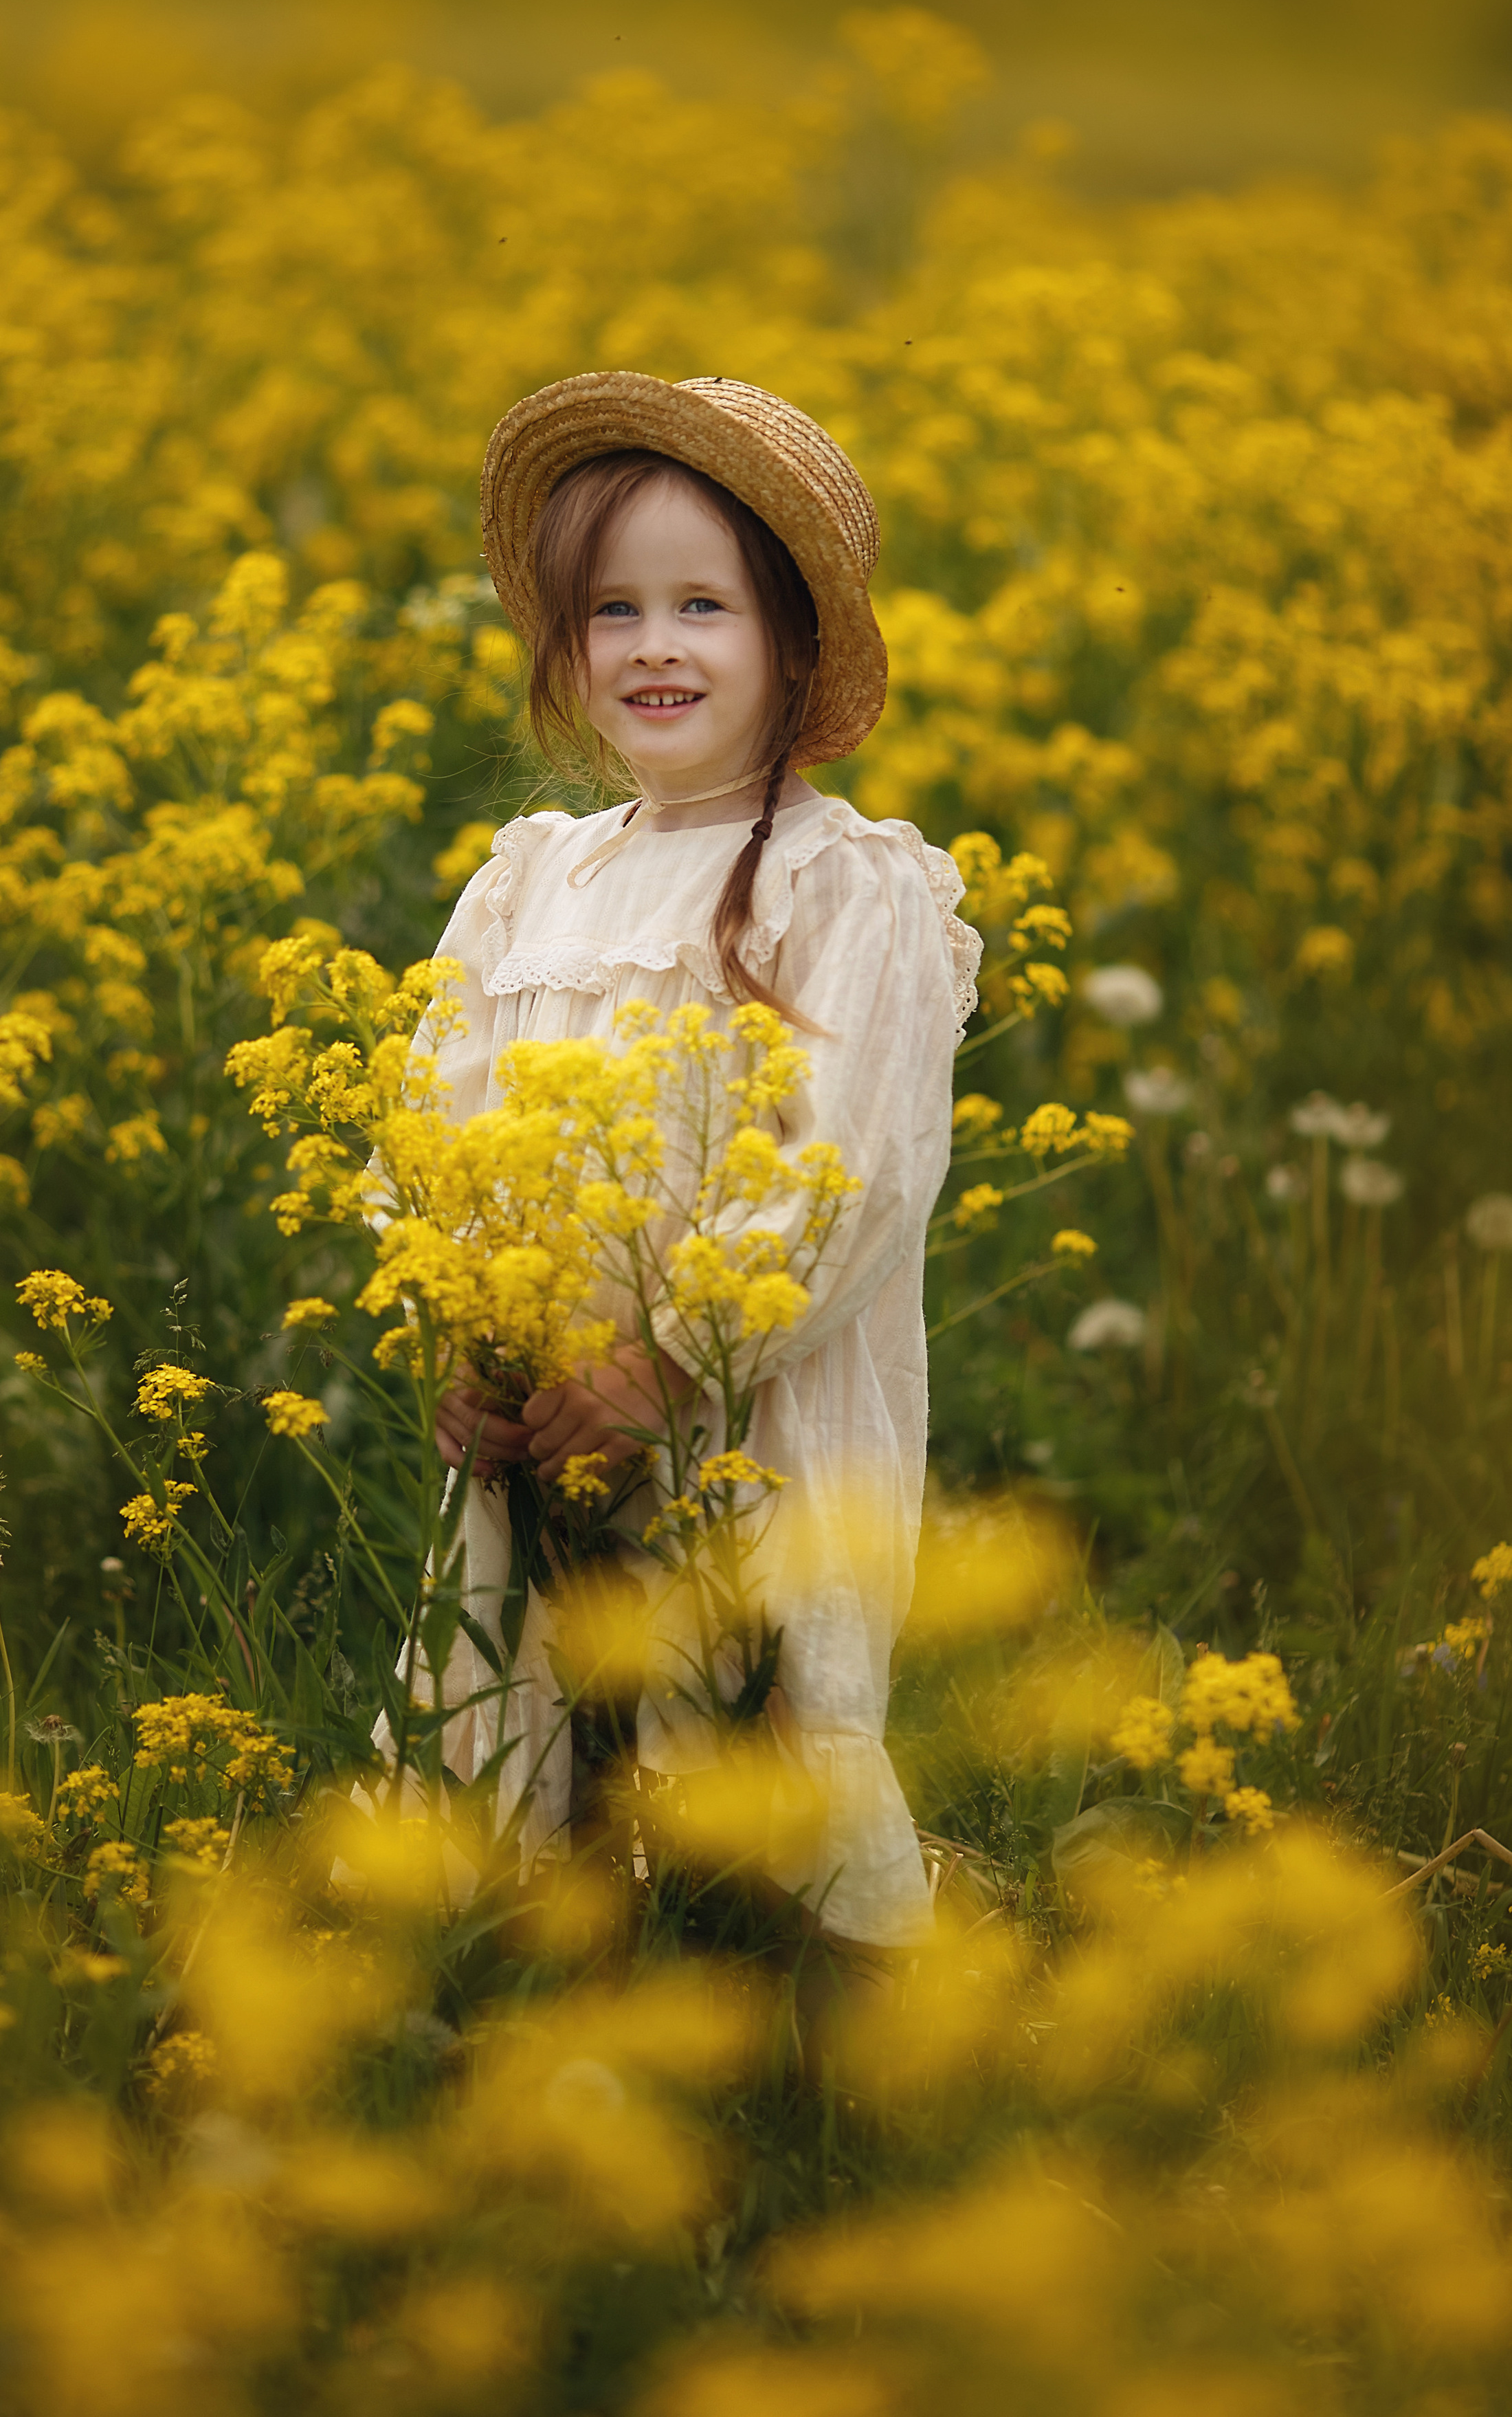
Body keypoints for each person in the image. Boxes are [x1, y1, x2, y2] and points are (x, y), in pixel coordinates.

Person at [410, 372, 979, 1953]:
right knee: (541, 1706)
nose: (653, 645)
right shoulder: (525, 887)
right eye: (612, 609)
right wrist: (470, 1342)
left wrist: (673, 1358)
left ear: (791, 645)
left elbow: (847, 1170)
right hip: (542, 1416)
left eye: (702, 606)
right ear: (565, 651)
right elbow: (436, 1127)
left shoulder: (842, 889)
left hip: (747, 1415)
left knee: (760, 1708)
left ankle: (827, 2071)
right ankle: (568, 2008)